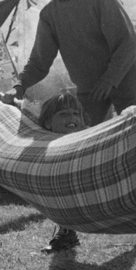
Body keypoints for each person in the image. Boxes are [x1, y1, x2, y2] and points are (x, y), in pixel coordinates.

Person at [1, 0, 136, 124]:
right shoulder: (49, 15)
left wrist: (109, 80)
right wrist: (20, 85)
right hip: (90, 91)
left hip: (125, 81)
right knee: (88, 139)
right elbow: (39, 62)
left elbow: (127, 42)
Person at [38, 91, 88, 252]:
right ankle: (67, 233)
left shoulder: (89, 137)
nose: (72, 118)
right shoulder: (44, 144)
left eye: (75, 113)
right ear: (48, 123)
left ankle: (67, 233)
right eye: (64, 114)